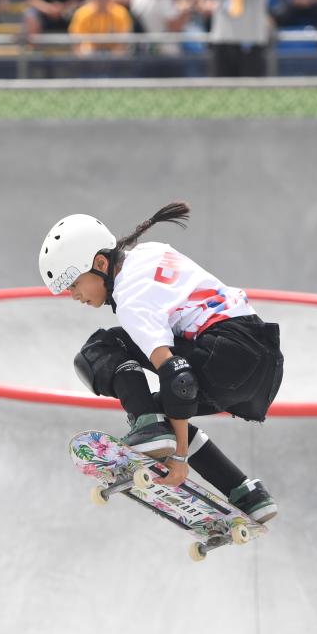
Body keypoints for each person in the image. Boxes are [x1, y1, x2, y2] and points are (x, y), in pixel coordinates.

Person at [37, 204, 282, 523]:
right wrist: (173, 444)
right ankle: (246, 493)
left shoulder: (131, 298)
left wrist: (177, 455)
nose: (73, 295)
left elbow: (178, 378)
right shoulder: (151, 253)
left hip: (228, 350)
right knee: (164, 411)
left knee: (101, 349)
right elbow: (181, 383)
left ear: (99, 263)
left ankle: (149, 426)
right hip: (262, 362)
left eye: (73, 284)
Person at [68, 0, 133, 54]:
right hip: (89, 53)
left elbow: (124, 41)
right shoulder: (82, 13)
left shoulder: (121, 13)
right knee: (85, 50)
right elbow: (76, 42)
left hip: (114, 53)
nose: (102, 0)